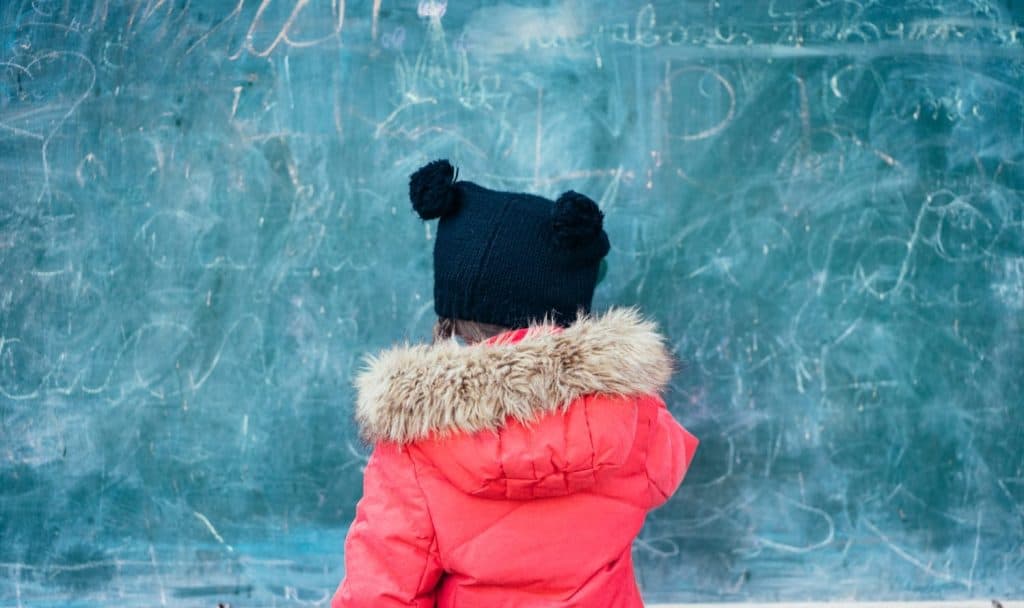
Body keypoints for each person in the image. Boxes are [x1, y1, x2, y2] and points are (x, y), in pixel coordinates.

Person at [331, 159, 699, 607]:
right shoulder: (637, 417)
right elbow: (666, 466)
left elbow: (382, 592)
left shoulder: (416, 446)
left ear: (449, 325)